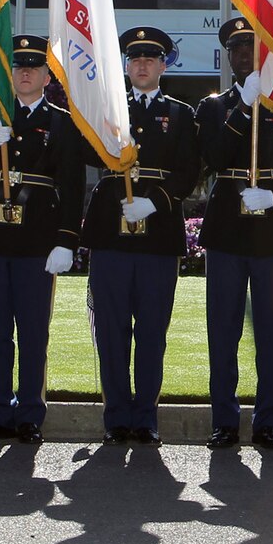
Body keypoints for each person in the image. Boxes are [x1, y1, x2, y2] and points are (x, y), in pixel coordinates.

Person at [195, 15, 273, 450]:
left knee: (271, 330)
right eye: (238, 50)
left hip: (272, 230)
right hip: (227, 227)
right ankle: (224, 421)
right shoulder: (212, 108)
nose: (245, 56)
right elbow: (212, 156)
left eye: (253, 48)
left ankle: (268, 422)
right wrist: (243, 110)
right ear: (228, 58)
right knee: (222, 330)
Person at [0, 34, 86, 445]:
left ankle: (30, 413)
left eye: (33, 67)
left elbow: (72, 183)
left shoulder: (63, 121)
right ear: (8, 73)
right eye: (18, 66)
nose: (25, 72)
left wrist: (67, 239)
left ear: (48, 76)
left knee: (33, 331)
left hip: (37, 238)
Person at [80, 26, 203, 445]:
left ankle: (146, 416)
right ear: (126, 66)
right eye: (135, 59)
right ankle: (116, 417)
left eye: (150, 58)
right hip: (111, 230)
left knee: (152, 329)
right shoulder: (107, 110)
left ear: (163, 65)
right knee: (111, 329)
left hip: (157, 231)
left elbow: (191, 170)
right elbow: (82, 151)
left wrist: (158, 200)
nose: (142, 65)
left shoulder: (183, 114)